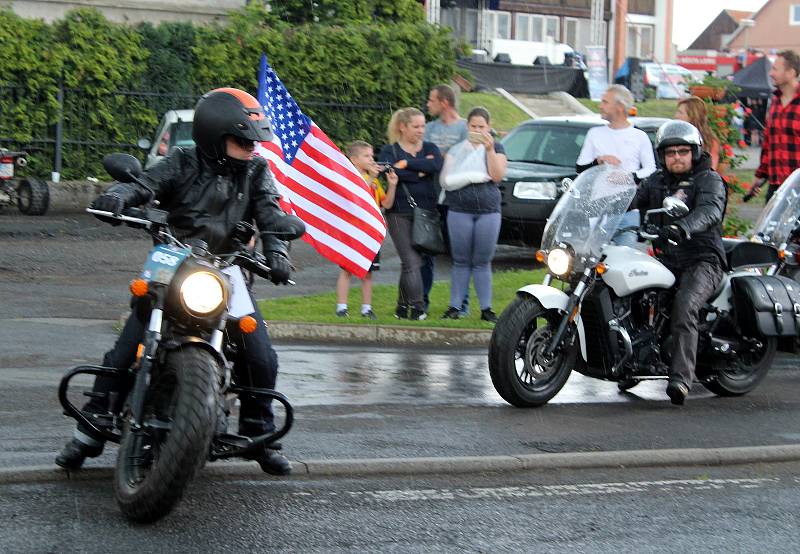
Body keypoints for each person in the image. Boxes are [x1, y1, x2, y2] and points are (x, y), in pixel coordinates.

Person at [55, 88, 301, 475]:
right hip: (172, 259)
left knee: (261, 356)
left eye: (255, 140)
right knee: (130, 343)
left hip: (227, 267)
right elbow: (144, 184)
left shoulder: (256, 171)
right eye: (242, 140)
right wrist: (118, 195)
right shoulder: (182, 161)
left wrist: (278, 253)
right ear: (215, 136)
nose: (252, 148)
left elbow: (270, 212)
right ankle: (91, 427)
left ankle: (259, 433)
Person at [630, 120, 727, 406]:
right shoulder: (656, 181)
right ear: (662, 156)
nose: (676, 157)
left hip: (702, 260)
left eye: (683, 151)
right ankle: (633, 359)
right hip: (666, 259)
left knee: (685, 306)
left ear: (694, 153)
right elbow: (631, 198)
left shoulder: (708, 180)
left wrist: (683, 227)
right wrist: (592, 203)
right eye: (670, 152)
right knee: (629, 290)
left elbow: (710, 211)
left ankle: (681, 379)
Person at [438, 106, 507, 323]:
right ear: (467, 126)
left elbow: (496, 176)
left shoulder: (497, 147)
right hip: (460, 209)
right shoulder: (456, 149)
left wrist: (488, 150)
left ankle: (486, 309)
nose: (477, 130)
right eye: (473, 126)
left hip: (488, 210)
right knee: (460, 260)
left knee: (482, 260)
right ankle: (455, 306)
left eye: (482, 126)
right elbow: (446, 181)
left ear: (489, 127)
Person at [377, 107, 443, 320]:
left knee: (419, 261)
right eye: (416, 126)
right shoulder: (390, 150)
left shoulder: (430, 147)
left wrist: (407, 164)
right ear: (402, 127)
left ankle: (400, 306)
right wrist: (419, 172)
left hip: (426, 213)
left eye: (423, 126)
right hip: (399, 213)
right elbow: (390, 171)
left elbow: (436, 164)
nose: (421, 130)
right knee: (411, 261)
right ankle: (417, 307)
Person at [576, 84, 656, 246]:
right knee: (591, 261)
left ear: (619, 107)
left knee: (624, 261)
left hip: (627, 209)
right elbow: (580, 168)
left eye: (605, 102)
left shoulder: (639, 136)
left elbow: (651, 169)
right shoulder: (595, 133)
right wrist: (598, 161)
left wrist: (629, 177)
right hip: (596, 208)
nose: (600, 106)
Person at [335, 141, 398, 319]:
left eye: (372, 156)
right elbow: (355, 196)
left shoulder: (375, 181)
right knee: (346, 269)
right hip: (352, 231)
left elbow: (386, 204)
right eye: (367, 156)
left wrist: (392, 185)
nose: (371, 159)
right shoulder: (350, 177)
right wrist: (370, 177)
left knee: (367, 273)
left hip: (370, 233)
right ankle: (341, 307)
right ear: (354, 160)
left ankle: (366, 308)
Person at [423, 84, 469, 314]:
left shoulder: (463, 128)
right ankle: (421, 303)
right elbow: (426, 157)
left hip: (455, 199)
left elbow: (463, 158)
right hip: (431, 196)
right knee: (426, 250)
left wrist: (438, 158)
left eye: (431, 100)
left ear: (444, 103)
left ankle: (461, 305)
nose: (427, 104)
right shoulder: (429, 128)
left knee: (458, 254)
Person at [746, 49, 800, 204]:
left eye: (775, 69)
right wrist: (759, 176)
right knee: (770, 228)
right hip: (777, 186)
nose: (771, 73)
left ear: (790, 72)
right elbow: (769, 144)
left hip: (798, 186)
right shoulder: (775, 103)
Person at [675, 96, 721, 170]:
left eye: (680, 113)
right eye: (677, 112)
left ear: (693, 116)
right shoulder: (674, 136)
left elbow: (711, 170)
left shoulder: (710, 141)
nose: (676, 116)